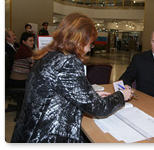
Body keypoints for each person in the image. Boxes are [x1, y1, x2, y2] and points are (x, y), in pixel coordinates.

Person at [11, 13, 134, 143]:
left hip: (28, 132)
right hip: (47, 136)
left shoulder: (48, 55)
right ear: (81, 40)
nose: (89, 49)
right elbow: (99, 108)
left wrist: (91, 94)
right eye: (90, 44)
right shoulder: (67, 62)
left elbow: (57, 91)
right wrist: (121, 95)